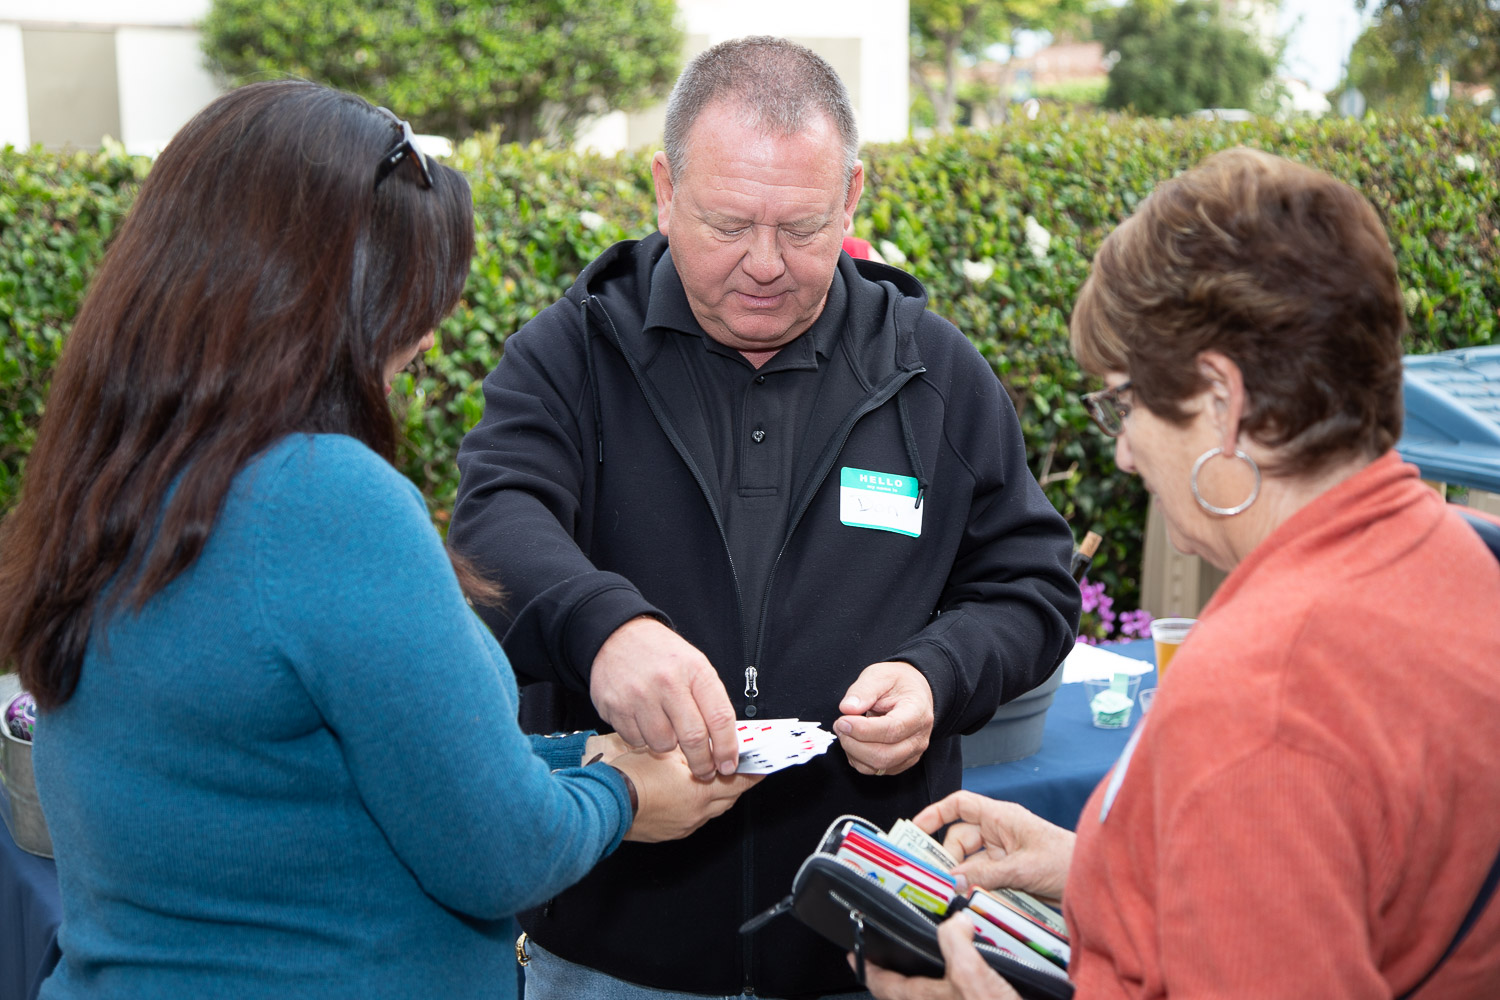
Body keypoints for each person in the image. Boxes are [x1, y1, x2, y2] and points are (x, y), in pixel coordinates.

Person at [0, 79, 759, 1000]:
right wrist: (628, 797)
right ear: (326, 302)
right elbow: (502, 854)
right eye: (416, 302)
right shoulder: (322, 497)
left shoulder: (113, 477)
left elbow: (321, 776)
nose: (428, 340)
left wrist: (580, 758)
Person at [449, 35, 1081, 999]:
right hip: (613, 951)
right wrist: (605, 629)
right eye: (728, 223)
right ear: (664, 189)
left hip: (871, 956)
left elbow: (1031, 587)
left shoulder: (933, 373)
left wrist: (936, 672)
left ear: (853, 199)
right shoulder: (571, 353)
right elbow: (496, 524)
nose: (765, 265)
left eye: (802, 227)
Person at [862, 148, 1500, 1000]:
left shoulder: (1258, 697)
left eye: (1126, 403)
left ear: (1219, 400)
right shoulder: (1468, 554)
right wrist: (1092, 867)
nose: (1124, 451)